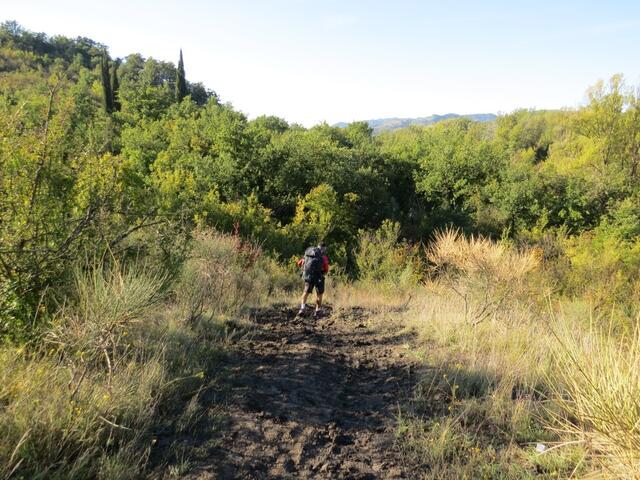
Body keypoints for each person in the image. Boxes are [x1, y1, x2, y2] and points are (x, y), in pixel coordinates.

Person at [296, 243, 330, 318]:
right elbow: (326, 269)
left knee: (305, 293)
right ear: (324, 249)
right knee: (319, 294)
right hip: (319, 278)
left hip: (309, 277)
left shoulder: (308, 255)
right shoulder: (323, 257)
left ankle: (302, 309)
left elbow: (299, 263)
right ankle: (317, 311)